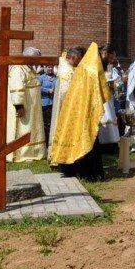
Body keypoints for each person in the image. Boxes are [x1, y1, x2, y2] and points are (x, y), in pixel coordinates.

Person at [51, 43, 112, 181]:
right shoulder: (90, 72)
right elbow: (100, 92)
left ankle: (71, 169)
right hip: (85, 114)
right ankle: (89, 172)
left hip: (72, 112)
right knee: (88, 140)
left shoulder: (80, 70)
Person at [7, 47, 46, 162]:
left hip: (32, 107)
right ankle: (21, 153)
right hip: (23, 108)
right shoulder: (18, 69)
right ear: (29, 57)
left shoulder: (28, 68)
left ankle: (33, 151)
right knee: (23, 129)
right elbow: (16, 88)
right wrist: (19, 106)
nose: (37, 61)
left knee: (31, 129)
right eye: (36, 59)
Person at [48, 46, 86, 160]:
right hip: (66, 107)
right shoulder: (68, 71)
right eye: (79, 59)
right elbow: (66, 92)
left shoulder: (64, 67)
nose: (79, 62)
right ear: (73, 57)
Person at [98, 44, 120, 145]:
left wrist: (112, 85)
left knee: (109, 116)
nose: (112, 60)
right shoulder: (96, 63)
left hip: (107, 96)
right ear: (105, 53)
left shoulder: (106, 65)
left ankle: (110, 141)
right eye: (111, 57)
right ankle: (103, 141)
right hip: (99, 97)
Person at [38, 65, 56, 146]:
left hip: (54, 103)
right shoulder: (41, 77)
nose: (50, 69)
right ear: (45, 68)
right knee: (45, 123)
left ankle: (52, 142)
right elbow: (38, 87)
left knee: (53, 123)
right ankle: (44, 142)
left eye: (51, 67)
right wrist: (48, 90)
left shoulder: (57, 77)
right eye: (48, 67)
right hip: (44, 104)